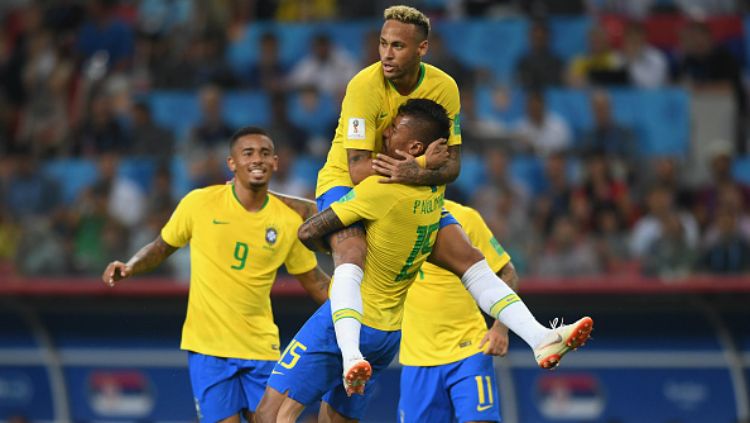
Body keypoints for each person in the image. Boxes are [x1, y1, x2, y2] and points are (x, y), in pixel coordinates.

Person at [273, 4, 592, 398]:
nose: (386, 54)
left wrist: (417, 174)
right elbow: (357, 168)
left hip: (415, 192)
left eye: (398, 46)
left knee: (470, 260)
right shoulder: (363, 86)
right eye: (382, 44)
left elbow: (453, 165)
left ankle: (542, 337)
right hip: (348, 184)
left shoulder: (444, 88)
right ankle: (352, 354)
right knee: (352, 250)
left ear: (422, 48)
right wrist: (420, 163)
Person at [256, 99, 593, 423]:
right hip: (390, 336)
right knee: (474, 270)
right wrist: (419, 167)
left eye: (395, 130)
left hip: (354, 320)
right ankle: (539, 336)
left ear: (415, 147)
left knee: (272, 414)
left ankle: (349, 357)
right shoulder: (435, 199)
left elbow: (311, 228)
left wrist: (335, 237)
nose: (386, 132)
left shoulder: (378, 190)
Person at [100, 126, 330, 423]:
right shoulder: (200, 204)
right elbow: (161, 247)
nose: (256, 159)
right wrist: (131, 266)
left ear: (275, 162)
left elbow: (315, 282)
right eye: (247, 153)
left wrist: (357, 307)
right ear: (232, 163)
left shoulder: (287, 220)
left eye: (264, 153)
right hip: (209, 348)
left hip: (260, 347)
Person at [398, 199, 518, 423]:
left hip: (468, 350)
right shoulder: (389, 218)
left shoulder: (465, 218)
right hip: (417, 358)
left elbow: (507, 272)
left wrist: (501, 328)